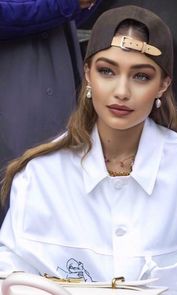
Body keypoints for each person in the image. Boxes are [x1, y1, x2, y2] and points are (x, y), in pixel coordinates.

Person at [0, 5, 177, 295]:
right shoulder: (39, 177)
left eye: (141, 76)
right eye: (107, 71)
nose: (121, 91)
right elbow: (9, 277)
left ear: (163, 85)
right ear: (88, 74)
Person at [0, 0, 102, 224]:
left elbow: (74, 16)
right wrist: (66, 5)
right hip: (14, 92)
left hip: (62, 86)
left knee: (63, 209)